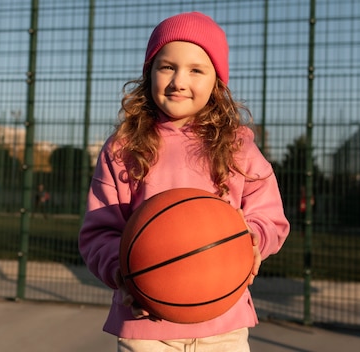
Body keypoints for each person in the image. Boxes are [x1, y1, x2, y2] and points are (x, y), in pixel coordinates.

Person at [78, 12, 290, 351]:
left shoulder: (238, 146)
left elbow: (270, 217)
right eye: (167, 66)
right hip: (145, 325)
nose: (179, 80)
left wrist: (251, 241)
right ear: (149, 73)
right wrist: (122, 271)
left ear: (217, 82)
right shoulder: (124, 147)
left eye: (196, 70)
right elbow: (98, 232)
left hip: (224, 323)